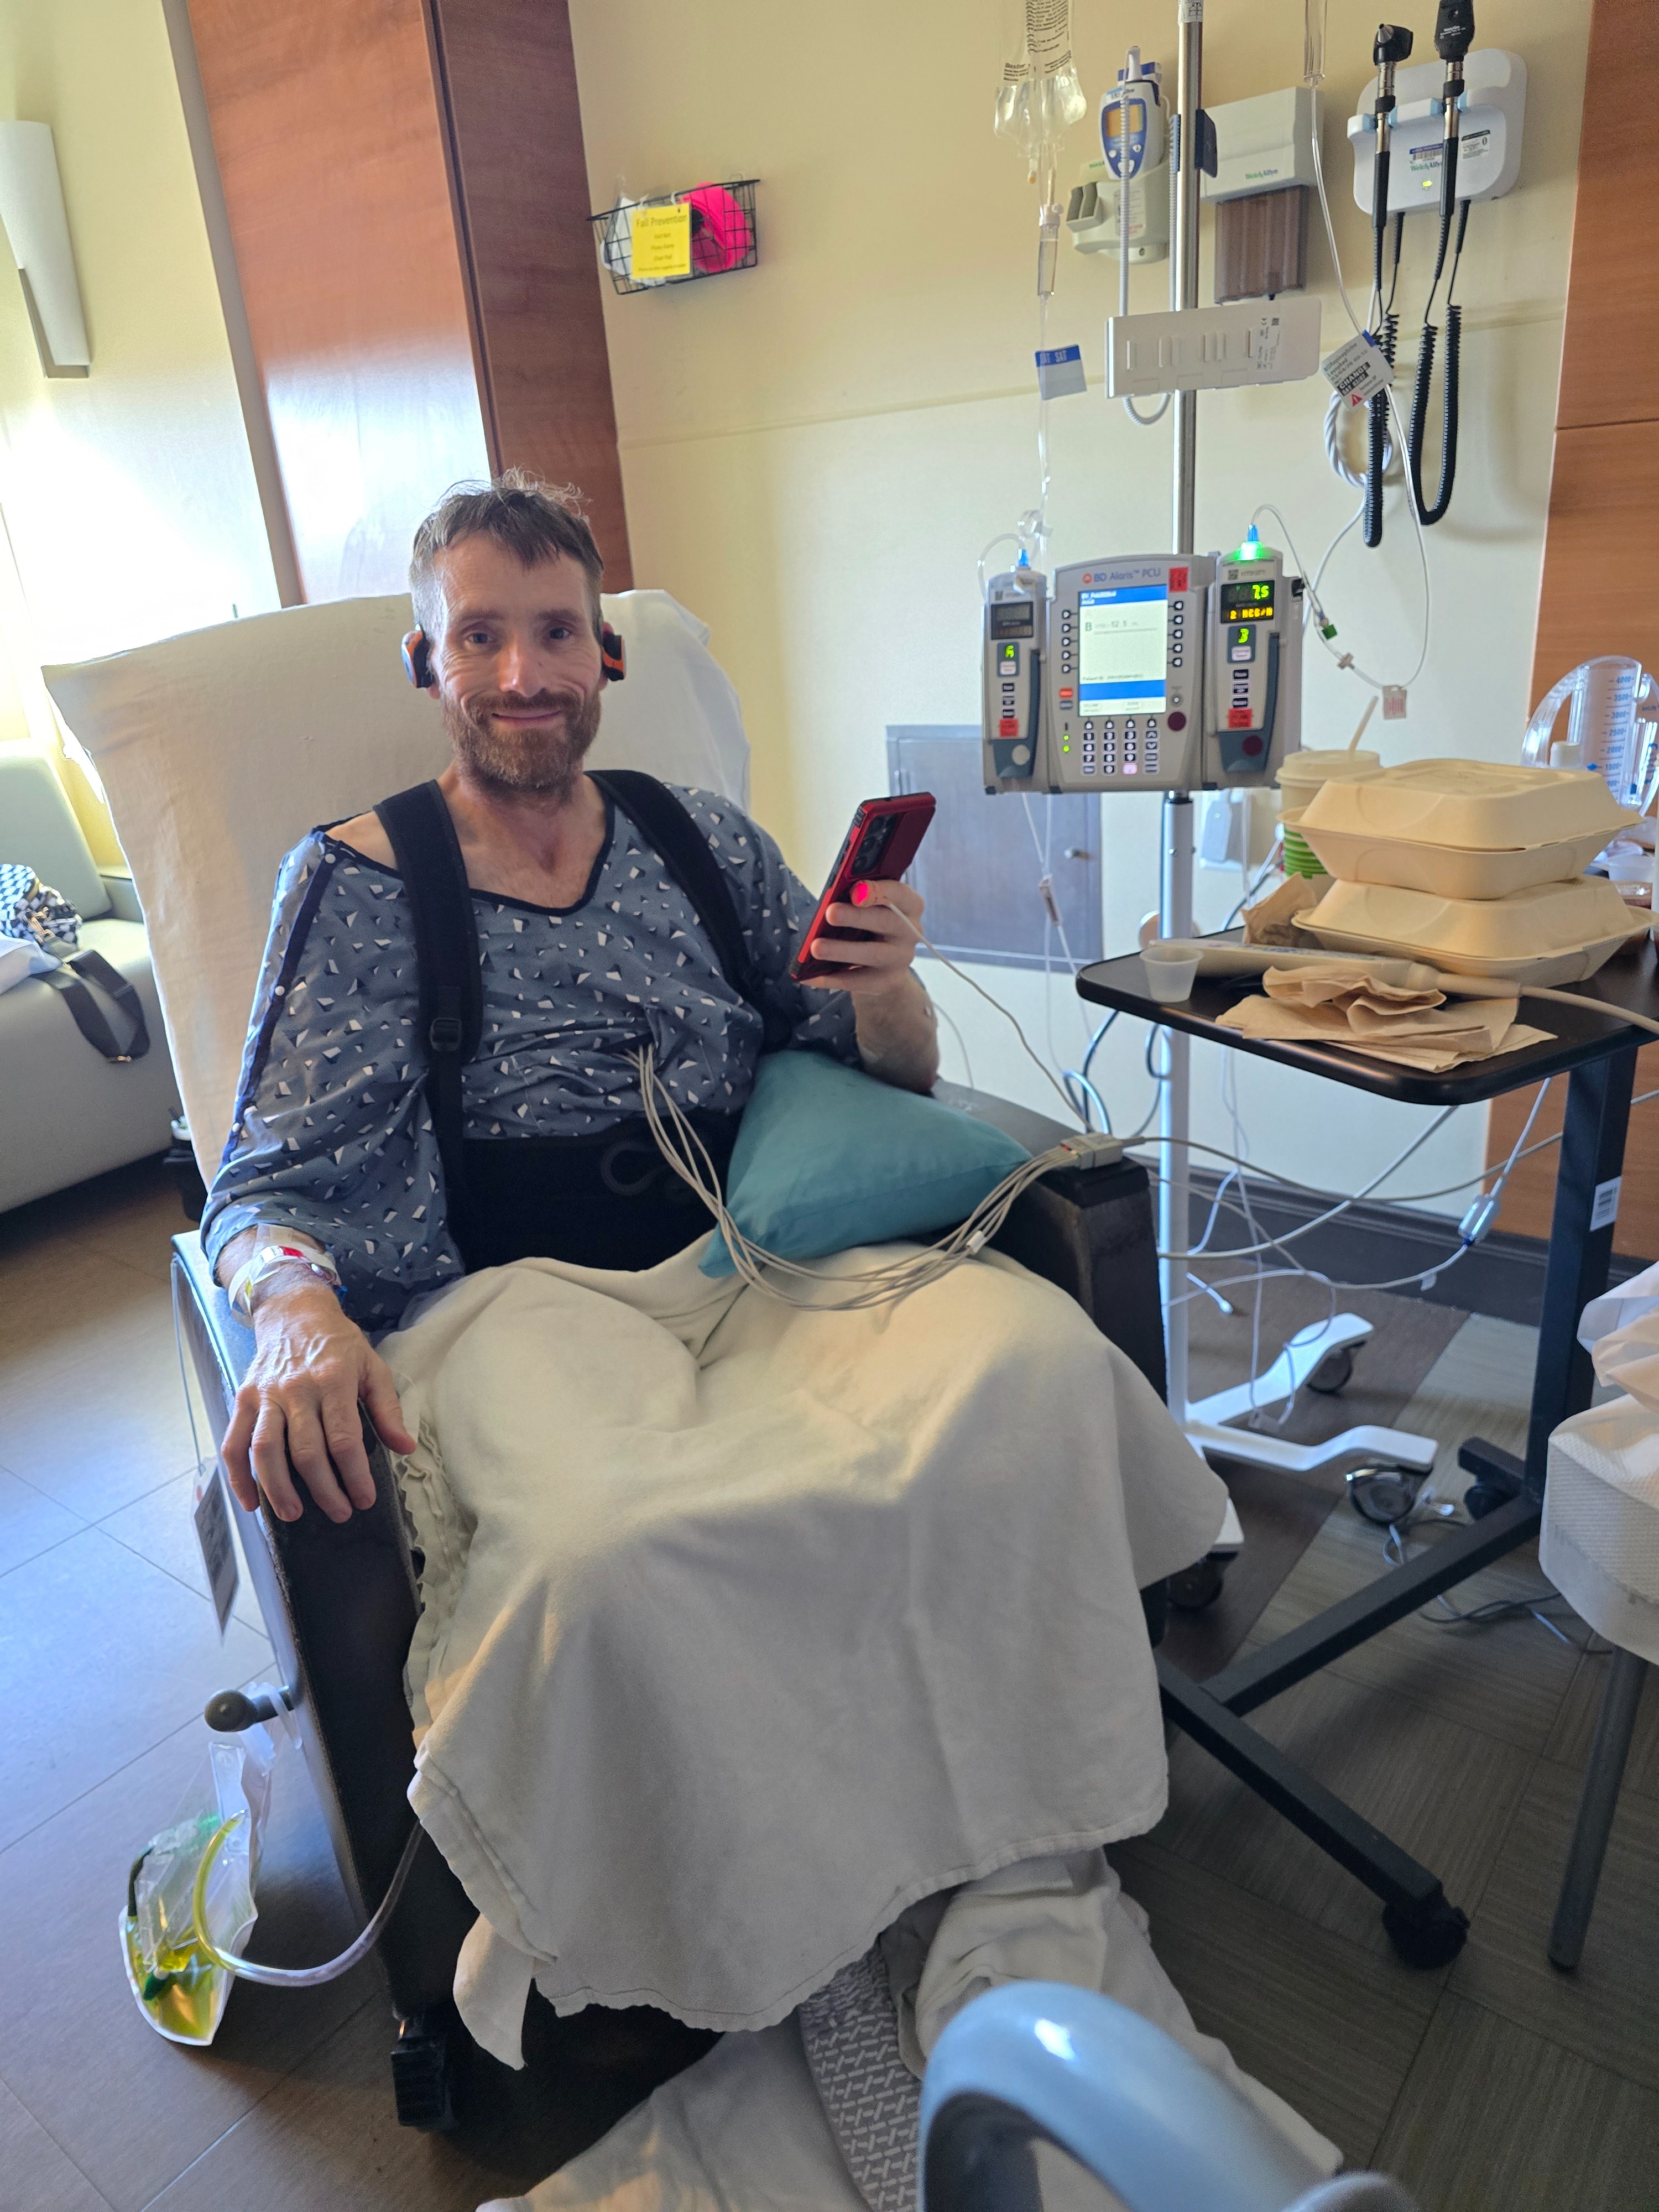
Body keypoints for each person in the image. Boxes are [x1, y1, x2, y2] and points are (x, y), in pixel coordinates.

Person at [204, 472, 938, 1527]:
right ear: (424, 661)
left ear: (608, 653)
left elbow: (891, 1073)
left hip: (764, 1266)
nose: (524, 676)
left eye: (557, 632)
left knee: (1030, 1362)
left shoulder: (708, 840)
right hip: (522, 1310)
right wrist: (290, 1309)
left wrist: (889, 986)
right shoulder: (359, 883)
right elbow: (265, 1184)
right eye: (479, 637)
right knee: (609, 1536)